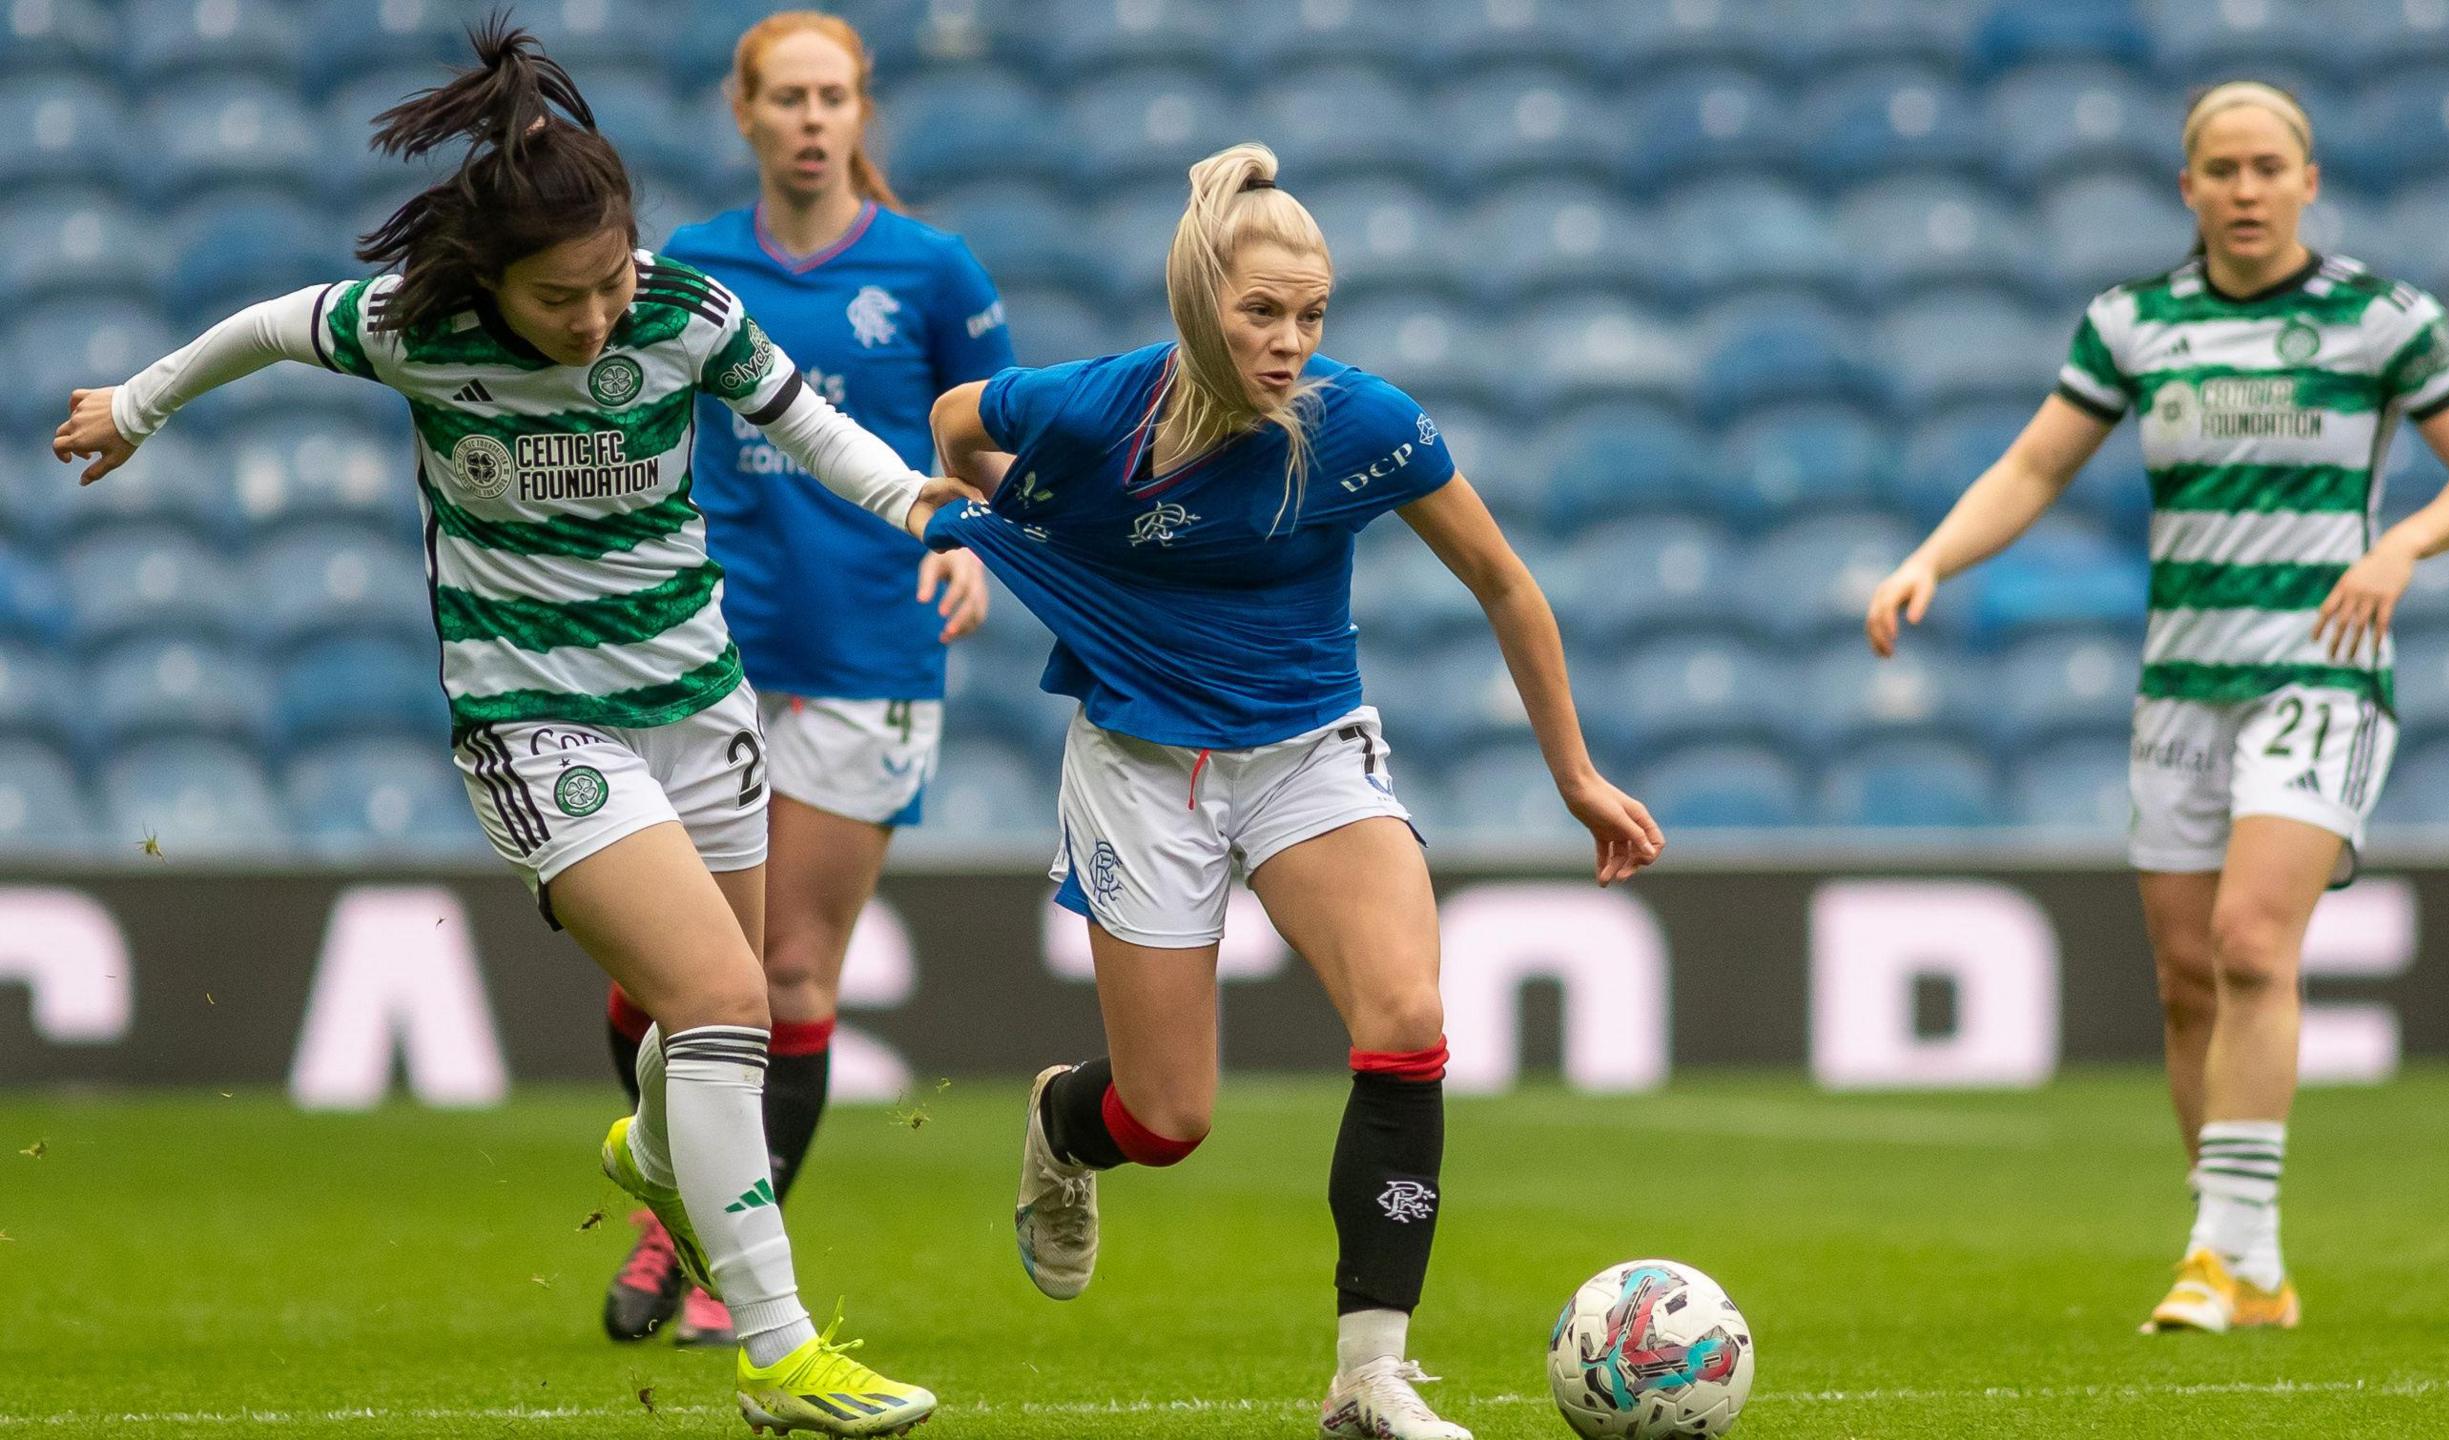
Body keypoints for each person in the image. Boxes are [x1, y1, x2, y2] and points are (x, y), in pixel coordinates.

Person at [50, 24, 962, 1436]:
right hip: (537, 727)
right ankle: (780, 1354)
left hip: (703, 707)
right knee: (728, 1011)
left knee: (720, 1018)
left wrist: (914, 499)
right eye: (560, 299)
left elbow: (806, 425)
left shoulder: (687, 315)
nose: (596, 319)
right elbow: (259, 326)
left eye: (609, 284)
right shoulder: (413, 325)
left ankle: (652, 1148)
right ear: (492, 281)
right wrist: (135, 407)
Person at [923, 141, 1663, 1440]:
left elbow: (1504, 582)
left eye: (1311, 315)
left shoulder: (1362, 422)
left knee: (1407, 1014)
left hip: (1309, 748)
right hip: (1144, 766)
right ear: (1200, 300)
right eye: (1262, 311)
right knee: (1166, 1119)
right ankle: (1058, 1122)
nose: (1288, 341)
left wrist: (1577, 775)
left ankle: (1369, 1378)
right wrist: (1036, 539)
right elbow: (951, 425)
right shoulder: (1096, 411)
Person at [1866, 80, 2449, 1336]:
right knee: (2184, 980)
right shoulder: (2136, 322)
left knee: (2252, 941)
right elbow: (2035, 463)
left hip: (2319, 667)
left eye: (2268, 166)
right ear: (2186, 188)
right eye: (2219, 169)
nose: (2245, 189)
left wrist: (2402, 549)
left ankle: (2220, 1255)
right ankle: (2251, 1265)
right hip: (2182, 682)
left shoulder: (2378, 320)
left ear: (2308, 180)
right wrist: (1932, 559)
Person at [598, 10, 1015, 1350]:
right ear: (745, 113)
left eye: (834, 95)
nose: (813, 118)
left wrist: (984, 555)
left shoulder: (934, 271)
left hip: (868, 656)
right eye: (787, 96)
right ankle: (676, 1190)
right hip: (701, 646)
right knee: (656, 964)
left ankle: (718, 1255)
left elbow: (999, 446)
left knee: (786, 976)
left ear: (861, 108)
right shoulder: (688, 270)